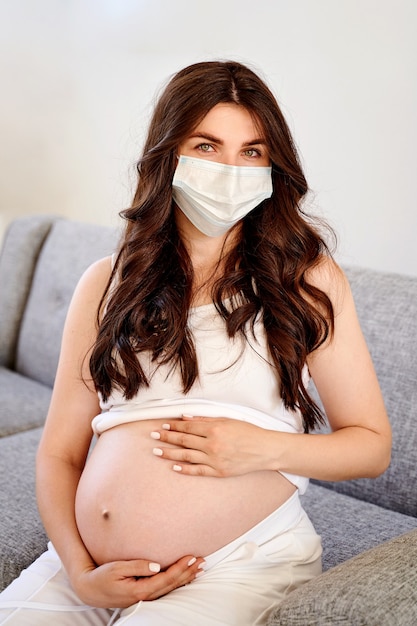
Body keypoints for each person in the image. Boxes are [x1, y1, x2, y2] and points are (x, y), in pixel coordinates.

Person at [0, 60, 391, 625]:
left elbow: (371, 445)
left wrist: (263, 448)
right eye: (207, 146)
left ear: (273, 167)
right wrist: (79, 568)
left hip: (234, 564)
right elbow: (59, 453)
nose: (231, 170)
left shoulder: (304, 279)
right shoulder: (106, 283)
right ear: (168, 156)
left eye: (252, 152)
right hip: (90, 574)